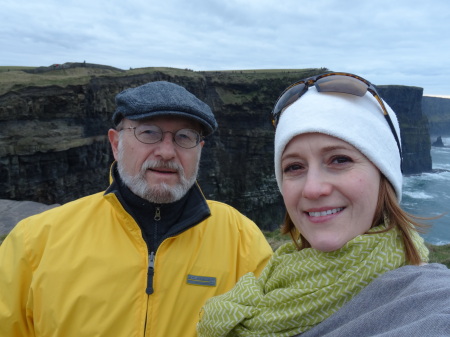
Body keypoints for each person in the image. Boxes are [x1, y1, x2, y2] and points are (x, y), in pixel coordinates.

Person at [0, 81, 273, 337]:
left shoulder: (241, 240)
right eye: (149, 133)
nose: (166, 152)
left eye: (184, 136)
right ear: (116, 144)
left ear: (199, 150)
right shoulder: (34, 242)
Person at [197, 72, 450, 337]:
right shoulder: (271, 281)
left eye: (339, 160)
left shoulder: (428, 299)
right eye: (294, 167)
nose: (313, 188)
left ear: (384, 174)